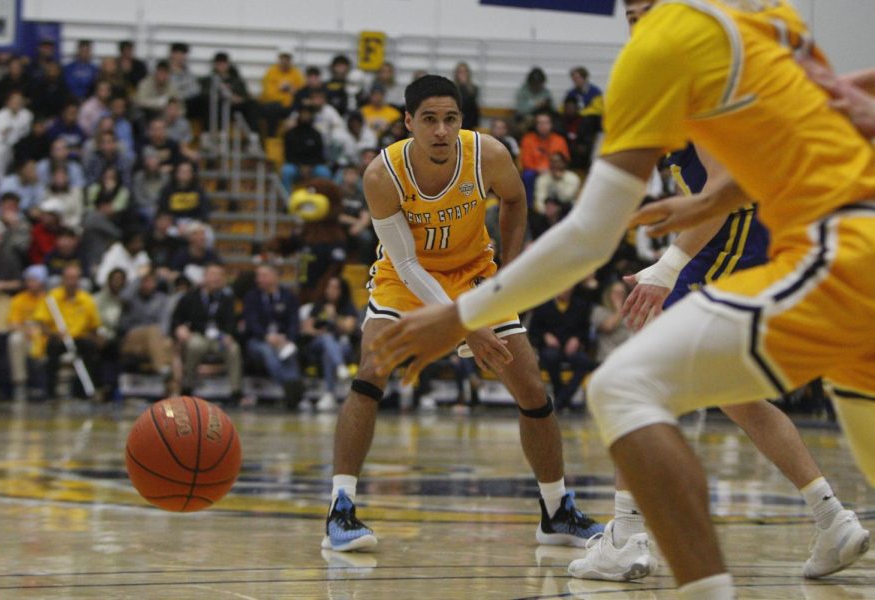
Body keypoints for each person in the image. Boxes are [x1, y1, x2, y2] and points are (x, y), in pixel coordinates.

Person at [367, 2, 875, 598]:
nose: (639, 21)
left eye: (645, 10)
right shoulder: (763, 15)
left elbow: (589, 235)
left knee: (625, 385)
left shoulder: (661, 49)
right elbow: (809, 118)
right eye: (631, 12)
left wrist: (460, 315)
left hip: (823, 243)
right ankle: (829, 515)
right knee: (723, 388)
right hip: (836, 241)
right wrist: (715, 198)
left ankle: (632, 540)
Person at [323, 75, 603, 553]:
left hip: (474, 274)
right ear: (408, 122)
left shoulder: (487, 155)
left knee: (530, 384)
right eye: (429, 120)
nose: (440, 131)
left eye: (450, 119)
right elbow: (407, 263)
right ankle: (340, 508)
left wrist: (507, 278)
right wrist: (466, 325)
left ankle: (556, 511)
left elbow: (515, 200)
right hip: (406, 280)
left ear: (461, 122)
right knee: (371, 370)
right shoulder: (381, 175)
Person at [170, 263, 244, 405]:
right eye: (213, 275)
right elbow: (176, 319)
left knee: (233, 348)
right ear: (204, 277)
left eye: (219, 275)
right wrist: (179, 328)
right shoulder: (190, 296)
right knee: (195, 345)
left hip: (219, 338)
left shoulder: (227, 298)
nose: (216, 279)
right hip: (198, 334)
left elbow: (232, 322)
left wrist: (229, 334)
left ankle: (236, 392)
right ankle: (187, 387)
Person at [33, 264, 101, 399]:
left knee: (90, 348)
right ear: (63, 279)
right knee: (52, 347)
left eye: (75, 278)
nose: (71, 282)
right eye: (68, 278)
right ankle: (49, 391)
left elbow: (94, 326)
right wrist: (54, 334)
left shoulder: (87, 300)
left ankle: (83, 391)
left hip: (79, 337)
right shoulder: (52, 297)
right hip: (57, 337)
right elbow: (42, 322)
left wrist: (93, 337)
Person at [243, 264, 305, 406]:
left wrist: (287, 338)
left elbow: (294, 322)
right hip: (258, 340)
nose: (259, 279)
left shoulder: (289, 297)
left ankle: (293, 389)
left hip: (283, 339)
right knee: (267, 351)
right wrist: (266, 336)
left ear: (275, 277)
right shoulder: (252, 296)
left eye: (263, 275)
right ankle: (290, 387)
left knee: (289, 351)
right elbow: (251, 322)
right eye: (257, 276)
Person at [300, 275, 357, 411]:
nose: (330, 290)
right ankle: (340, 367)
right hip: (317, 345)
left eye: (335, 287)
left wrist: (334, 317)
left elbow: (349, 328)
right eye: (329, 287)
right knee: (327, 339)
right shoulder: (319, 305)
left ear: (342, 290)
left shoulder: (348, 307)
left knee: (329, 353)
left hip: (342, 346)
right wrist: (320, 333)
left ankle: (329, 395)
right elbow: (306, 328)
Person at [7, 264, 48, 397]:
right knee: (15, 339)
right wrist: (26, 330)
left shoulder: (49, 299)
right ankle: (20, 383)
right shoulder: (19, 299)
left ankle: (41, 387)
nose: (31, 283)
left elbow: (53, 324)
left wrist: (39, 330)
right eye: (28, 280)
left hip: (44, 337)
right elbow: (12, 324)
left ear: (42, 281)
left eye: (34, 280)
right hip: (25, 336)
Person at [519, 112, 569, 202]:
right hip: (535, 172)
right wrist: (538, 169)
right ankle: (529, 208)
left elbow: (565, 160)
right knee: (527, 175)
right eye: (540, 123)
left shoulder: (559, 140)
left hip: (555, 171)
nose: (543, 126)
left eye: (546, 123)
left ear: (551, 124)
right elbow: (525, 162)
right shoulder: (527, 139)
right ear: (536, 125)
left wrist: (550, 169)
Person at [0, 90, 33, 184]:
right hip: (5, 147)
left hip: (20, 147)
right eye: (14, 100)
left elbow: (27, 134)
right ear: (7, 102)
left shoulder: (27, 115)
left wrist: (8, 131)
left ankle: (26, 180)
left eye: (19, 101)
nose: (17, 103)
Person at [260, 51, 305, 136]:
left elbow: (301, 91)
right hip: (275, 105)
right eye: (283, 59)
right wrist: (282, 90)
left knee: (299, 109)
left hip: (291, 106)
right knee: (273, 108)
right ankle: (272, 137)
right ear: (279, 60)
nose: (285, 62)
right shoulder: (271, 72)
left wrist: (290, 89)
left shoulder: (296, 73)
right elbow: (268, 93)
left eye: (287, 60)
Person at [453, 62, 480, 131]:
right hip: (455, 120)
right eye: (460, 72)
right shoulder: (452, 87)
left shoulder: (474, 88)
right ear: (456, 74)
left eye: (465, 72)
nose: (463, 74)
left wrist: (464, 86)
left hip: (469, 121)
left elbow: (473, 107)